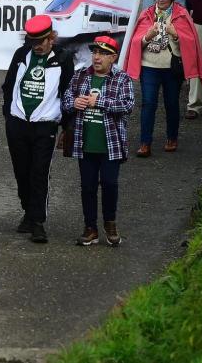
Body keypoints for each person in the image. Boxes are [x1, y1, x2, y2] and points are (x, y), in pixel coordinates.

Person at [2, 14, 74, 243]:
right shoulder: (21, 54)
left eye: (41, 41)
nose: (37, 46)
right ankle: (28, 211)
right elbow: (8, 85)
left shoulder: (63, 58)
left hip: (45, 125)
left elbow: (68, 92)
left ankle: (38, 222)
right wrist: (8, 115)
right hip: (17, 124)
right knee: (21, 172)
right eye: (33, 42)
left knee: (39, 173)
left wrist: (67, 125)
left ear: (51, 37)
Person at [61, 36, 135, 247]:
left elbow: (127, 105)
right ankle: (90, 228)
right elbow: (66, 100)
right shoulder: (80, 75)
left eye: (103, 53)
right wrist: (74, 102)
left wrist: (99, 101)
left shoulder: (122, 79)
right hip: (84, 143)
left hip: (111, 145)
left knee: (110, 184)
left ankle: (110, 223)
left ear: (113, 57)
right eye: (95, 52)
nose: (97, 57)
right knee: (87, 187)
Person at [123, 0, 202, 157]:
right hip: (149, 66)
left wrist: (175, 35)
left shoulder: (181, 14)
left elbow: (190, 44)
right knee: (148, 103)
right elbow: (135, 42)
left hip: (172, 68)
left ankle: (172, 138)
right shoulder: (146, 14)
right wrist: (147, 36)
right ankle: (145, 143)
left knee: (172, 103)